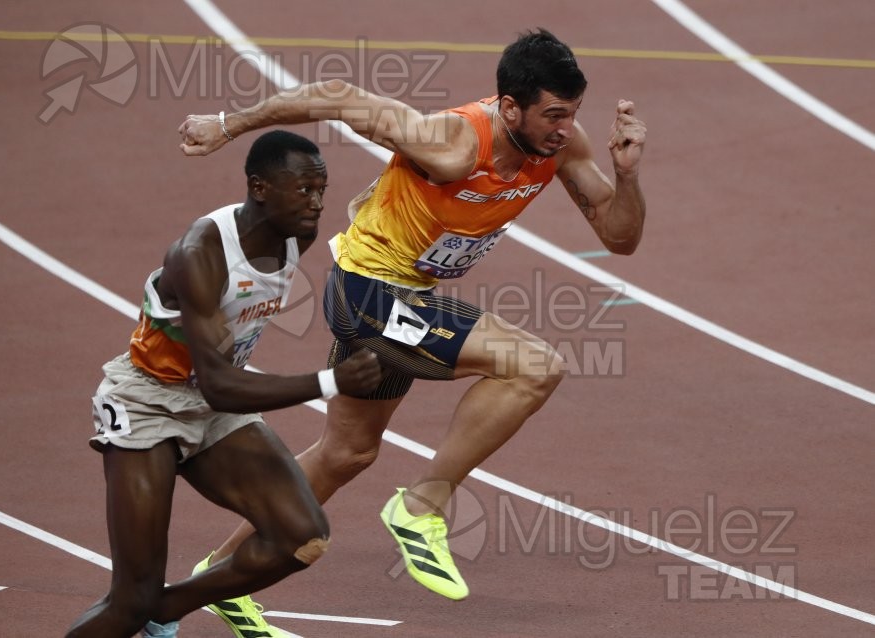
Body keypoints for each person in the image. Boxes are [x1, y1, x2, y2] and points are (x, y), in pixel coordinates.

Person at [177, 26, 645, 624]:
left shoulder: (561, 146)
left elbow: (619, 237)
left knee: (347, 452)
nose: (564, 129)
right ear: (508, 107)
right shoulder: (452, 142)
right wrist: (230, 123)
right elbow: (338, 95)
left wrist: (626, 174)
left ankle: (219, 578)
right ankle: (422, 505)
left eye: (573, 114)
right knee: (534, 366)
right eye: (553, 115)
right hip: (370, 292)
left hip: (406, 296)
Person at [65, 130, 383, 638]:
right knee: (129, 601)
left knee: (301, 538)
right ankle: (146, 607)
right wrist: (329, 381)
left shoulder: (296, 237)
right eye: (303, 189)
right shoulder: (200, 253)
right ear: (259, 187)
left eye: (321, 189)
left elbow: (216, 392)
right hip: (150, 403)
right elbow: (219, 386)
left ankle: (165, 610)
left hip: (214, 406)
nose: (317, 203)